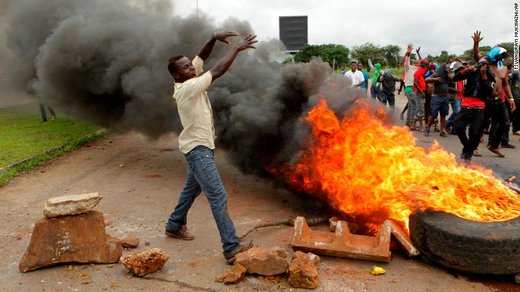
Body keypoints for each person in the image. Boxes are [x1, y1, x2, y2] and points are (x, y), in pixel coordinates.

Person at [165, 31, 257, 264]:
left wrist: (213, 38)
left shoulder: (186, 78)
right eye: (186, 68)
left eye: (190, 66)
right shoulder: (187, 88)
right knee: (217, 195)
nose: (192, 68)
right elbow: (216, 71)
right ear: (177, 75)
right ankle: (231, 246)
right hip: (198, 151)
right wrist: (236, 49)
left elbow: (200, 58)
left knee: (190, 191)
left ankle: (174, 225)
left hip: (200, 148)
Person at [472, 31, 516, 157]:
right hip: (486, 100)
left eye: (503, 56)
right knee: (481, 125)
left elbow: (505, 84)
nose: (501, 58)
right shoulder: (486, 64)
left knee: (505, 123)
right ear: (495, 55)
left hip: (499, 101)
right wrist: (476, 43)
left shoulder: (503, 69)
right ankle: (474, 147)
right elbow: (476, 55)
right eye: (500, 56)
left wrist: (511, 99)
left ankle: (494, 145)